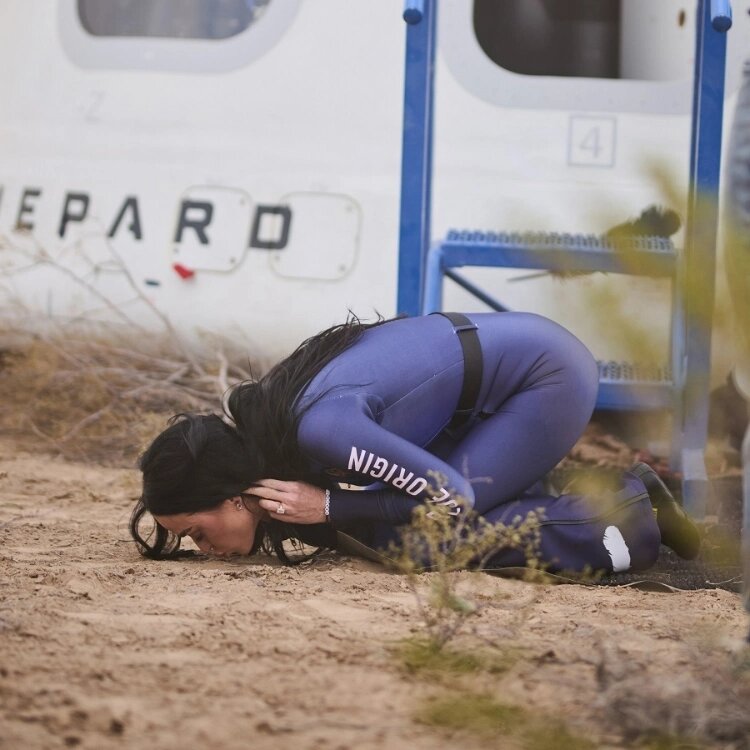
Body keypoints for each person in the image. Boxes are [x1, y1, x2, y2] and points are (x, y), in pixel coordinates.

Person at [130, 312, 701, 573]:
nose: (202, 549)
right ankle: (606, 492)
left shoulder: (317, 428)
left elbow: (452, 496)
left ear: (234, 497)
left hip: (545, 380)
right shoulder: (281, 429)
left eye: (197, 533)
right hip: (497, 382)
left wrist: (329, 506)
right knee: (387, 522)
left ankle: (625, 519)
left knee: (423, 542)